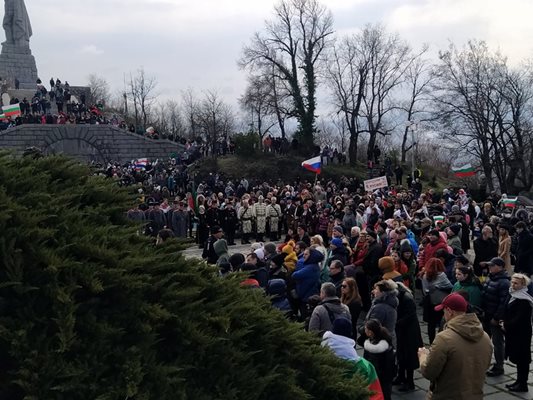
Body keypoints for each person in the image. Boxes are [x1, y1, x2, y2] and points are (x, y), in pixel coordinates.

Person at [418, 293, 493, 400]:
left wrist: (423, 356)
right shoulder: (485, 337)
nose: (443, 315)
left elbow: (429, 372)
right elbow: (484, 365)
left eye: (443, 311)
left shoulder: (444, 338)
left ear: (449, 311)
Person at [502, 273, 533, 392]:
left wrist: (506, 325)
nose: (513, 285)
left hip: (521, 333)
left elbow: (519, 318)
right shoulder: (512, 294)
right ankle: (519, 381)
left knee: (522, 359)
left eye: (516, 283)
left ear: (523, 285)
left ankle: (522, 384)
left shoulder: (524, 300)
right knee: (518, 358)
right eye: (512, 282)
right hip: (513, 332)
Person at [482, 257, 510, 377]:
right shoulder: (491, 277)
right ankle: (484, 361)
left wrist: (497, 318)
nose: (490, 267)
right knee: (485, 340)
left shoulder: (504, 282)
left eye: (492, 266)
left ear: (500, 267)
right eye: (489, 265)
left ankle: (499, 366)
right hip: (486, 314)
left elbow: (504, 303)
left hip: (495, 318)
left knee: (498, 343)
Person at [393, 282, 422, 393]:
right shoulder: (403, 297)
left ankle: (409, 382)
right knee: (401, 355)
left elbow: (409, 316)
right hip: (403, 330)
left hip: (410, 333)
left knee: (408, 357)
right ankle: (401, 377)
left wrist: (397, 322)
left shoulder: (407, 299)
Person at [363, 319, 397, 400]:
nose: (364, 330)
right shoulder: (385, 339)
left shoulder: (373, 349)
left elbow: (373, 366)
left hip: (379, 377)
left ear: (370, 332)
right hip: (388, 375)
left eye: (365, 329)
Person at [421, 258, 453, 344]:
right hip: (441, 302)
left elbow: (425, 291)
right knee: (443, 323)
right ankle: (441, 342)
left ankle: (432, 342)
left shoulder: (425, 275)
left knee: (431, 324)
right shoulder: (442, 275)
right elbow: (450, 286)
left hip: (429, 302)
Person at [365, 279, 398, 347]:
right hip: (388, 339)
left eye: (376, 289)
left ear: (383, 293)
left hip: (379, 343)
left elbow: (372, 326)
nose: (373, 291)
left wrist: (362, 329)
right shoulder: (389, 303)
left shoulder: (379, 308)